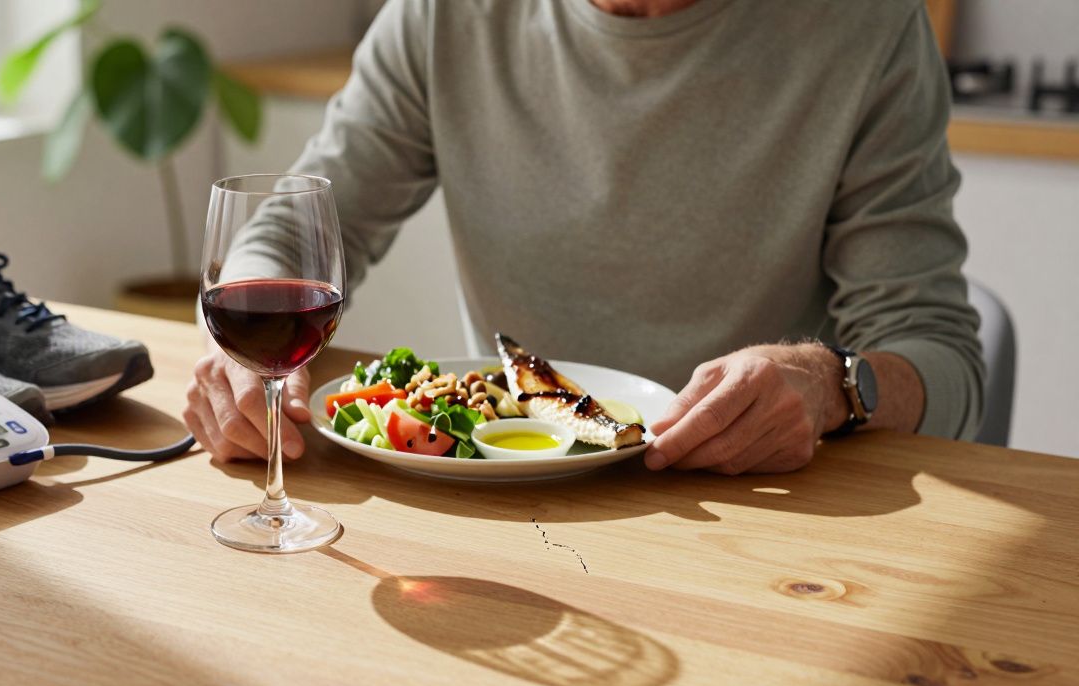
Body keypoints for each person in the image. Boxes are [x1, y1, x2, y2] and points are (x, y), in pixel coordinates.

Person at [184, 0, 984, 475]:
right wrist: (242, 358)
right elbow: (297, 229)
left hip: (764, 509)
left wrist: (832, 385)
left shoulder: (867, 27)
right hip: (509, 493)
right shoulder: (445, 16)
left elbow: (940, 358)